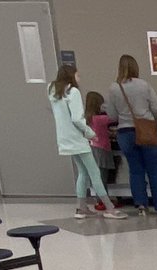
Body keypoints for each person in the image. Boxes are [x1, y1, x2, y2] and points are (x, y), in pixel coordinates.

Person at [47, 65, 126, 220]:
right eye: (78, 75)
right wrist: (90, 134)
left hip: (64, 138)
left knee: (82, 172)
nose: (79, 78)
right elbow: (77, 119)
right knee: (94, 172)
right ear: (71, 75)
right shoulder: (73, 92)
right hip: (78, 138)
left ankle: (81, 207)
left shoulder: (53, 91)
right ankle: (109, 207)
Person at [106, 54, 157, 216]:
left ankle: (141, 205)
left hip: (125, 133)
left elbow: (112, 115)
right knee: (154, 170)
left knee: (135, 170)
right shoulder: (144, 85)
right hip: (147, 131)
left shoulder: (114, 88)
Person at [84, 90, 121, 213]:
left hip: (92, 149)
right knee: (103, 177)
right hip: (102, 149)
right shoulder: (100, 118)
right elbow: (115, 118)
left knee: (97, 176)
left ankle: (101, 199)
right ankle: (104, 201)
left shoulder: (87, 118)